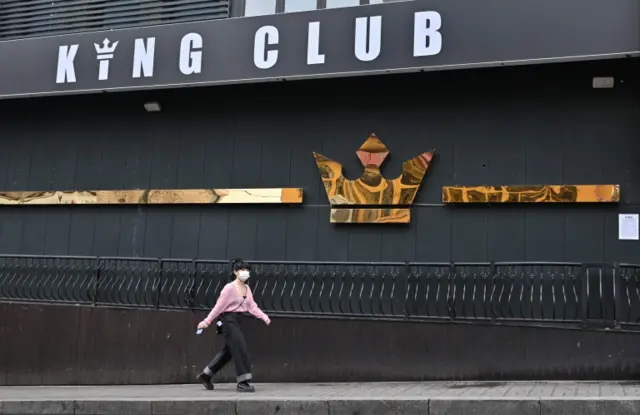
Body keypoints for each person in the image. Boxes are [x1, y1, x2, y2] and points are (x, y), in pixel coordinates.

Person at [196, 258, 271, 392]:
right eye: (242, 270)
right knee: (240, 348)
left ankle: (206, 375)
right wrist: (206, 322)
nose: (245, 272)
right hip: (228, 321)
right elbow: (218, 307)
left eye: (247, 270)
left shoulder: (247, 289)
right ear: (235, 272)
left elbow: (252, 306)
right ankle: (243, 382)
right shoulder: (229, 288)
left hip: (239, 321)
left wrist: (264, 317)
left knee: (229, 351)